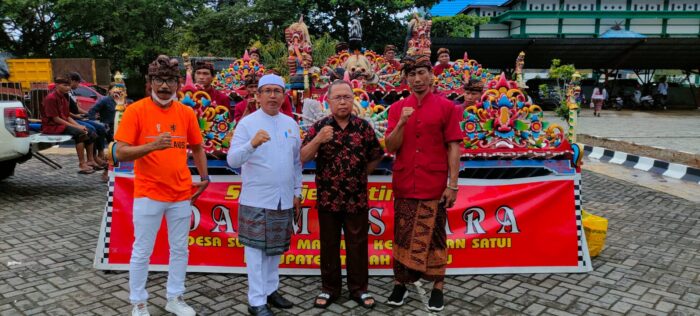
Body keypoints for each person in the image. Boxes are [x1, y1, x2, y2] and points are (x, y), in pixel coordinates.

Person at [114, 55, 209, 316]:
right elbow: (120, 152)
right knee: (142, 250)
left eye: (169, 80)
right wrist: (152, 146)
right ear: (150, 82)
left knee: (180, 249)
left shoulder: (186, 112)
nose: (164, 86)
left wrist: (205, 177)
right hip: (148, 193)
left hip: (180, 193)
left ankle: (175, 297)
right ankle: (139, 302)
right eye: (158, 80)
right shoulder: (136, 111)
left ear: (178, 83)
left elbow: (197, 147)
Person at [384, 55, 462, 312]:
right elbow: (391, 146)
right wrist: (402, 123)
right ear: (405, 78)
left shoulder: (446, 107)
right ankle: (400, 283)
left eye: (421, 73)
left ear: (430, 74)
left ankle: (438, 287)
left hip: (435, 184)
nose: (417, 79)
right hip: (406, 183)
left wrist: (453, 184)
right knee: (403, 235)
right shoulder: (397, 109)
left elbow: (453, 146)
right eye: (411, 75)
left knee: (436, 237)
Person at [300, 80, 384, 309]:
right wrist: (318, 140)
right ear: (328, 100)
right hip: (328, 199)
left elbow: (378, 154)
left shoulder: (363, 127)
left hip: (356, 199)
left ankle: (359, 289)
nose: (343, 101)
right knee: (329, 246)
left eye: (347, 97)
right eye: (338, 97)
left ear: (353, 99)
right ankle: (330, 289)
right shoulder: (319, 127)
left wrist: (361, 174)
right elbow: (303, 157)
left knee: (357, 245)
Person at [226, 74, 301, 316]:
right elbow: (232, 159)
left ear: (283, 95)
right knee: (256, 253)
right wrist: (252, 144)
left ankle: (271, 291)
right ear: (257, 96)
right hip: (256, 199)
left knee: (275, 250)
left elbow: (297, 163)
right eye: (266, 91)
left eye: (277, 91)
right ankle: (256, 301)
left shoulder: (291, 123)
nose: (272, 95)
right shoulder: (247, 124)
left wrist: (297, 192)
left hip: (283, 199)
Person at [41, 76, 97, 174]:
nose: (68, 88)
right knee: (80, 134)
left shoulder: (64, 97)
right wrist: (77, 127)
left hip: (62, 123)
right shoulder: (51, 98)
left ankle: (91, 160)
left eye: (68, 85)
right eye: (65, 85)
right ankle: (82, 164)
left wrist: (79, 125)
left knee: (90, 131)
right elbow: (56, 119)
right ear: (57, 85)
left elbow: (67, 116)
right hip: (52, 126)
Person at [67, 72, 107, 170]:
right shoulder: (61, 95)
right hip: (71, 119)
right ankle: (89, 159)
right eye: (78, 82)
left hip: (75, 117)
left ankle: (98, 155)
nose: (79, 85)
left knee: (101, 127)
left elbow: (76, 108)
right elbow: (64, 114)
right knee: (90, 130)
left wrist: (88, 114)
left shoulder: (70, 92)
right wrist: (78, 118)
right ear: (72, 81)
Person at [89, 82, 121, 181]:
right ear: (109, 90)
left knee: (118, 151)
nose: (118, 92)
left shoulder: (122, 101)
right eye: (115, 89)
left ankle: (115, 172)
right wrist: (95, 124)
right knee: (112, 151)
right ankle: (106, 171)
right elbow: (92, 111)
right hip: (107, 129)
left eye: (120, 90)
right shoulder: (104, 100)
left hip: (120, 128)